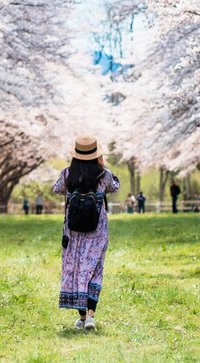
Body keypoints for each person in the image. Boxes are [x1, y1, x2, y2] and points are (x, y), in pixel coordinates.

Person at [52, 135, 120, 332]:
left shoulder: (67, 174)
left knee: (77, 270)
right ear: (96, 155)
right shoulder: (103, 175)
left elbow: (57, 189)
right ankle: (90, 316)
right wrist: (102, 166)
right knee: (94, 270)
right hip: (97, 230)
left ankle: (82, 317)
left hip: (73, 232)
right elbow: (115, 187)